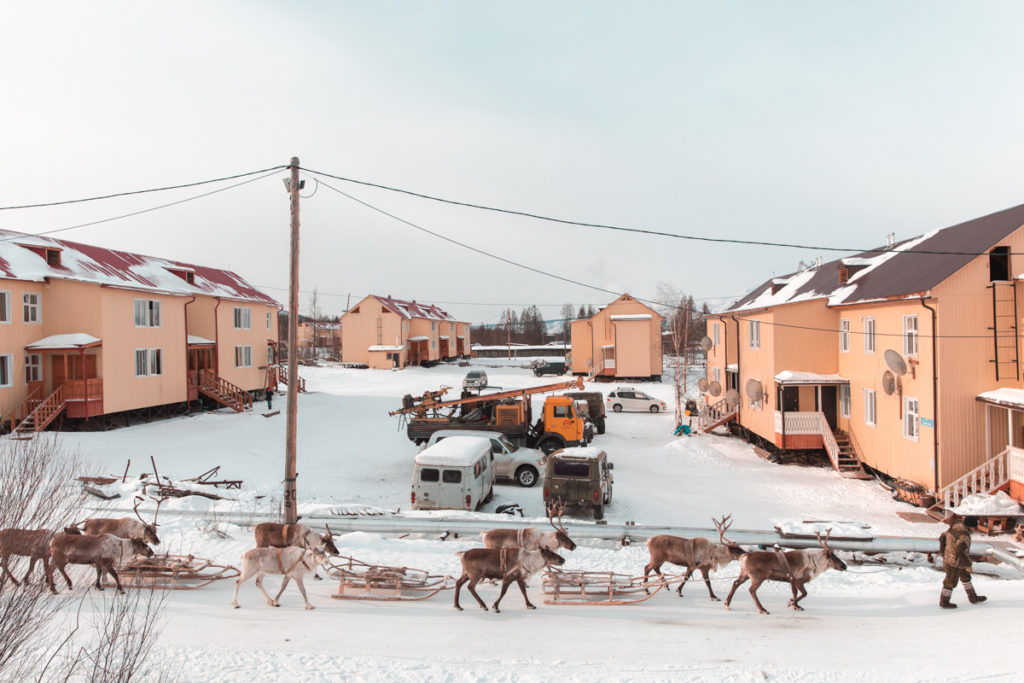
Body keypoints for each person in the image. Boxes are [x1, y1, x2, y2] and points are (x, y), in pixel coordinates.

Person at [938, 513, 987, 609]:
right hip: (954, 561)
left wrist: (942, 552)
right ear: (971, 526)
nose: (974, 529)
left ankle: (973, 597)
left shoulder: (955, 526)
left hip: (951, 557)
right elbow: (959, 550)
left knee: (965, 576)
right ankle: (944, 601)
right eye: (974, 527)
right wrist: (968, 564)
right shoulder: (964, 536)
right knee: (950, 581)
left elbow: (942, 538)